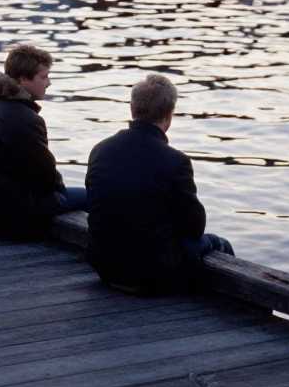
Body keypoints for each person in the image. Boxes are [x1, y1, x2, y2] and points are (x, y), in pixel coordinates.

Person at [85, 73, 234, 294]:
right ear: (169, 115)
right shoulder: (175, 161)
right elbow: (194, 226)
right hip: (152, 275)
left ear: (132, 109)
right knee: (218, 244)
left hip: (104, 267)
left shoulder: (100, 149)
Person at [0, 44, 87, 239]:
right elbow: (47, 175)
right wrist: (58, 194)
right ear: (23, 80)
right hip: (16, 216)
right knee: (93, 196)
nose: (49, 83)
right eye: (44, 77)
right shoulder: (25, 118)